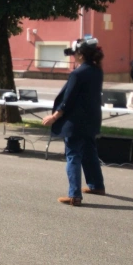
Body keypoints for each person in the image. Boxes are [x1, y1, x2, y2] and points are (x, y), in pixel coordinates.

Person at [42, 38, 106, 206]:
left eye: (74, 54)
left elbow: (68, 100)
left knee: (73, 156)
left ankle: (74, 195)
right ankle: (97, 185)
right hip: (91, 120)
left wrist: (54, 117)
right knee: (90, 153)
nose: (72, 56)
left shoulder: (77, 74)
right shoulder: (97, 71)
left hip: (76, 122)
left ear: (80, 54)